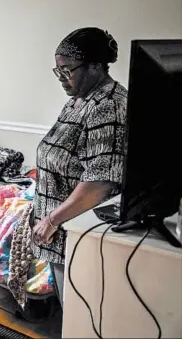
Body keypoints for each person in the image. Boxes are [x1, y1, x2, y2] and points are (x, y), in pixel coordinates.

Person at [30, 27, 128, 308]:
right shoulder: (78, 100)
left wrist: (51, 220)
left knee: (77, 318)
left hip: (76, 232)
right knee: (70, 314)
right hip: (61, 231)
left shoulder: (107, 106)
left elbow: (99, 183)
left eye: (67, 70)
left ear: (95, 65)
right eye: (57, 71)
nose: (62, 78)